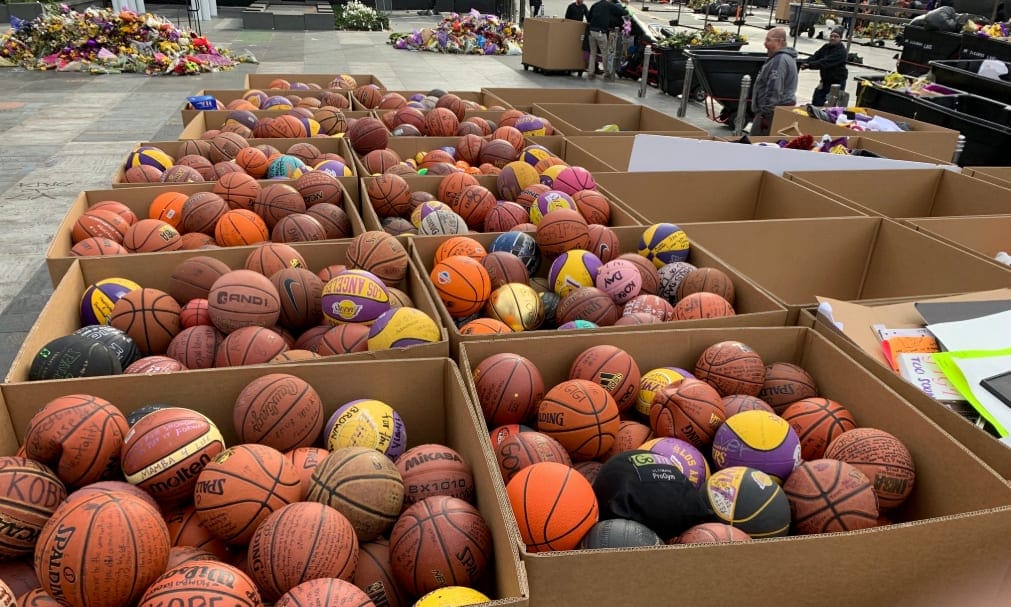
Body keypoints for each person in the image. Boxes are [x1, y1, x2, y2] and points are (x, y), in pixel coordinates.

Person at [750, 27, 798, 136]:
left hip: (772, 113)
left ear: (780, 41)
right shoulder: (783, 58)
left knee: (756, 143)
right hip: (776, 111)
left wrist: (765, 115)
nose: (765, 44)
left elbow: (774, 88)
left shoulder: (779, 61)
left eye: (768, 40)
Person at [800, 27, 848, 107]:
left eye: (836, 36)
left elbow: (825, 62)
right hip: (825, 81)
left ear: (840, 38)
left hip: (837, 83)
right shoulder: (826, 47)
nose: (832, 38)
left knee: (831, 106)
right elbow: (815, 57)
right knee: (816, 101)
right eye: (831, 36)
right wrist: (802, 61)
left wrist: (810, 65)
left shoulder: (841, 52)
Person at [586, 0, 627, 80]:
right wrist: (627, 10)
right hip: (601, 32)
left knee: (592, 53)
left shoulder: (595, 4)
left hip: (591, 31)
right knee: (604, 53)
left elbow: (588, 18)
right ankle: (607, 73)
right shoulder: (609, 5)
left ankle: (590, 73)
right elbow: (621, 12)